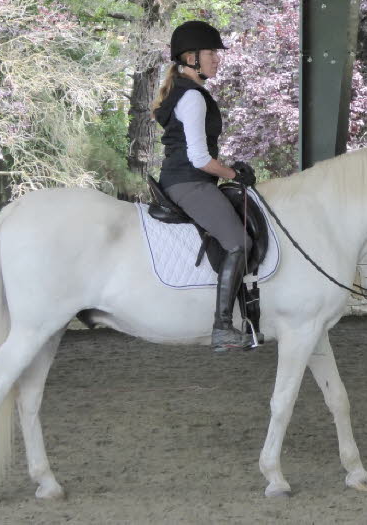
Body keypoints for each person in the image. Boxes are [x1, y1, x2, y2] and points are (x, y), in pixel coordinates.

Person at [151, 20, 257, 353]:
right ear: (191, 57)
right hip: (190, 182)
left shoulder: (184, 90)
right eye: (211, 52)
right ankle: (223, 328)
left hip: (183, 178)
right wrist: (233, 174)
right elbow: (199, 158)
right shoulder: (192, 97)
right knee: (239, 242)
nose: (217, 58)